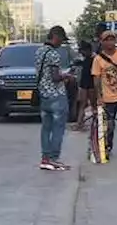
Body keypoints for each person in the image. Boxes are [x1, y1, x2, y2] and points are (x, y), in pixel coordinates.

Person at [35, 26, 73, 171]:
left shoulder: (39, 52)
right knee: (58, 128)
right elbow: (55, 77)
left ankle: (45, 158)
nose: (61, 43)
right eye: (61, 40)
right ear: (55, 36)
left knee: (46, 128)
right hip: (56, 96)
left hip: (43, 95)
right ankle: (53, 159)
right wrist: (67, 76)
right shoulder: (53, 55)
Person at [73, 40, 94, 132]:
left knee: (94, 105)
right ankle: (79, 123)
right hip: (84, 84)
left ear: (88, 50)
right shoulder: (85, 60)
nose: (81, 53)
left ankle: (96, 124)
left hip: (91, 85)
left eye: (83, 51)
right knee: (83, 104)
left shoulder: (93, 59)